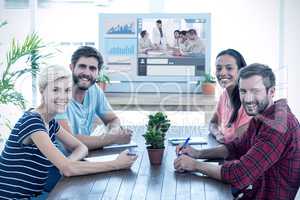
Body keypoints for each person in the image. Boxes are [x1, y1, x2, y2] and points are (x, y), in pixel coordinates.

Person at [0, 65, 137, 199]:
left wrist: (67, 163)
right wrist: (117, 164)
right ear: (42, 91)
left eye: (67, 90)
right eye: (55, 90)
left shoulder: (50, 122)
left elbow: (80, 147)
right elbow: (68, 169)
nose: (62, 96)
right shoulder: (33, 122)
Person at [174, 63, 300, 199]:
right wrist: (198, 153)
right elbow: (236, 147)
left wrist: (195, 165)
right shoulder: (261, 117)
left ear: (272, 92)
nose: (247, 99)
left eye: (255, 91)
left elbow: (241, 173)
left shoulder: (278, 125)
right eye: (243, 91)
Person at [56, 46, 132, 152]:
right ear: (72, 67)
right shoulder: (57, 95)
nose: (87, 73)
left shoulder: (94, 90)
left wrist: (114, 132)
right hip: (59, 165)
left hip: (83, 158)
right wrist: (113, 139)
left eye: (92, 68)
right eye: (82, 66)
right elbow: (70, 143)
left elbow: (112, 119)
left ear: (98, 72)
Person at [209, 49, 252, 143]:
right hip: (225, 153)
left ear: (241, 71)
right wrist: (218, 134)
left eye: (229, 68)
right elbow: (213, 123)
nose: (222, 73)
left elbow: (237, 146)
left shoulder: (248, 102)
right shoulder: (224, 95)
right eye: (219, 68)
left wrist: (198, 154)